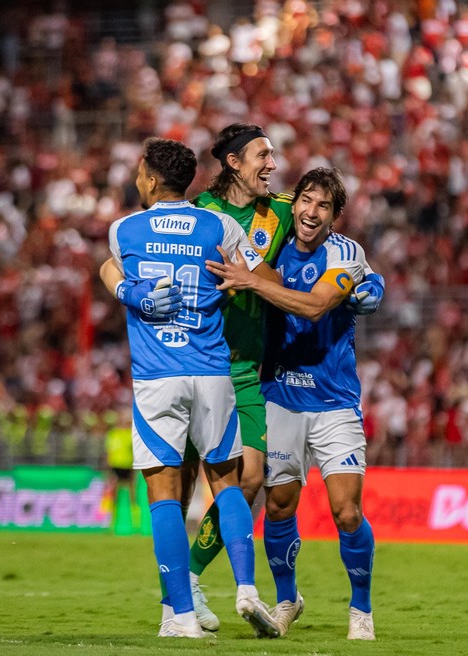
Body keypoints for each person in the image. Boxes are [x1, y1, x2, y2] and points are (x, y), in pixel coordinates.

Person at [102, 123, 384, 631]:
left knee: (243, 478)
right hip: (205, 360)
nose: (273, 167)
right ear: (233, 162)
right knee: (190, 483)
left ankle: (192, 589)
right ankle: (188, 593)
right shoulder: (206, 215)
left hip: (246, 369)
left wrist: (368, 276)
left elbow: (325, 245)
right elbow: (114, 262)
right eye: (262, 156)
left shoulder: (281, 209)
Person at [102, 136, 282, 639]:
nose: (137, 179)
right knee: (226, 483)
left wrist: (128, 290)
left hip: (158, 375)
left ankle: (180, 616)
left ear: (153, 179)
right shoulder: (218, 225)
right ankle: (246, 587)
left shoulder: (125, 230)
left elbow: (114, 272)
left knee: (164, 494)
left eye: (141, 172)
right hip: (212, 370)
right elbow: (250, 272)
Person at [206, 167, 378, 640]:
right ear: (295, 203)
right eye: (305, 200)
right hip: (280, 395)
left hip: (334, 402)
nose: (310, 211)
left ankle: (360, 608)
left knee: (346, 512)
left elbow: (316, 305)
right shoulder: (274, 246)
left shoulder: (344, 252)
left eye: (323, 205)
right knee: (279, 505)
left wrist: (253, 282)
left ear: (334, 216)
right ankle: (287, 601)